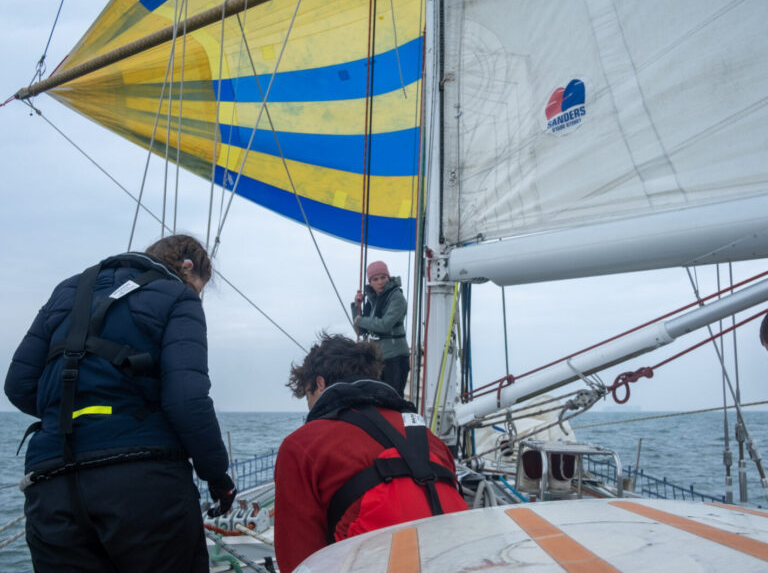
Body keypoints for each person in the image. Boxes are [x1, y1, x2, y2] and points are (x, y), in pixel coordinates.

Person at [4, 234, 236, 573]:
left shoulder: (67, 291)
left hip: (52, 486)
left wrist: (76, 412)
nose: (196, 296)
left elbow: (19, 385)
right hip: (142, 488)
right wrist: (217, 477)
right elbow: (186, 400)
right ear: (187, 269)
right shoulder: (178, 297)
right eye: (199, 289)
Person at [274, 333, 467, 572]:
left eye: (308, 394)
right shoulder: (431, 440)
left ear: (320, 384)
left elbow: (299, 560)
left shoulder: (301, 446)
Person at [352, 260, 410, 397]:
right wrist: (357, 307)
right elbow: (360, 330)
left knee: (393, 398)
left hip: (395, 358)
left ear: (388, 278)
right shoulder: (373, 301)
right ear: (370, 282)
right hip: (377, 358)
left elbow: (385, 325)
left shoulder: (397, 298)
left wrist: (361, 320)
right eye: (375, 279)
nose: (380, 282)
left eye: (383, 277)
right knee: (377, 398)